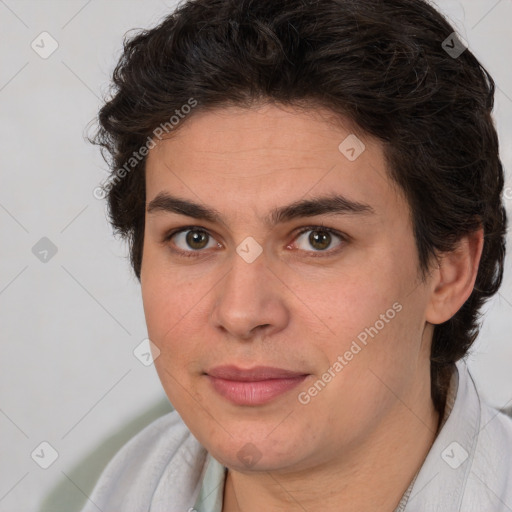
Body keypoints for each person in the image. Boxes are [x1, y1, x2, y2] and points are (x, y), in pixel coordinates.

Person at [83, 0, 511, 510]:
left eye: (317, 239)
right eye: (194, 238)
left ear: (448, 271)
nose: (241, 313)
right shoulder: (119, 485)